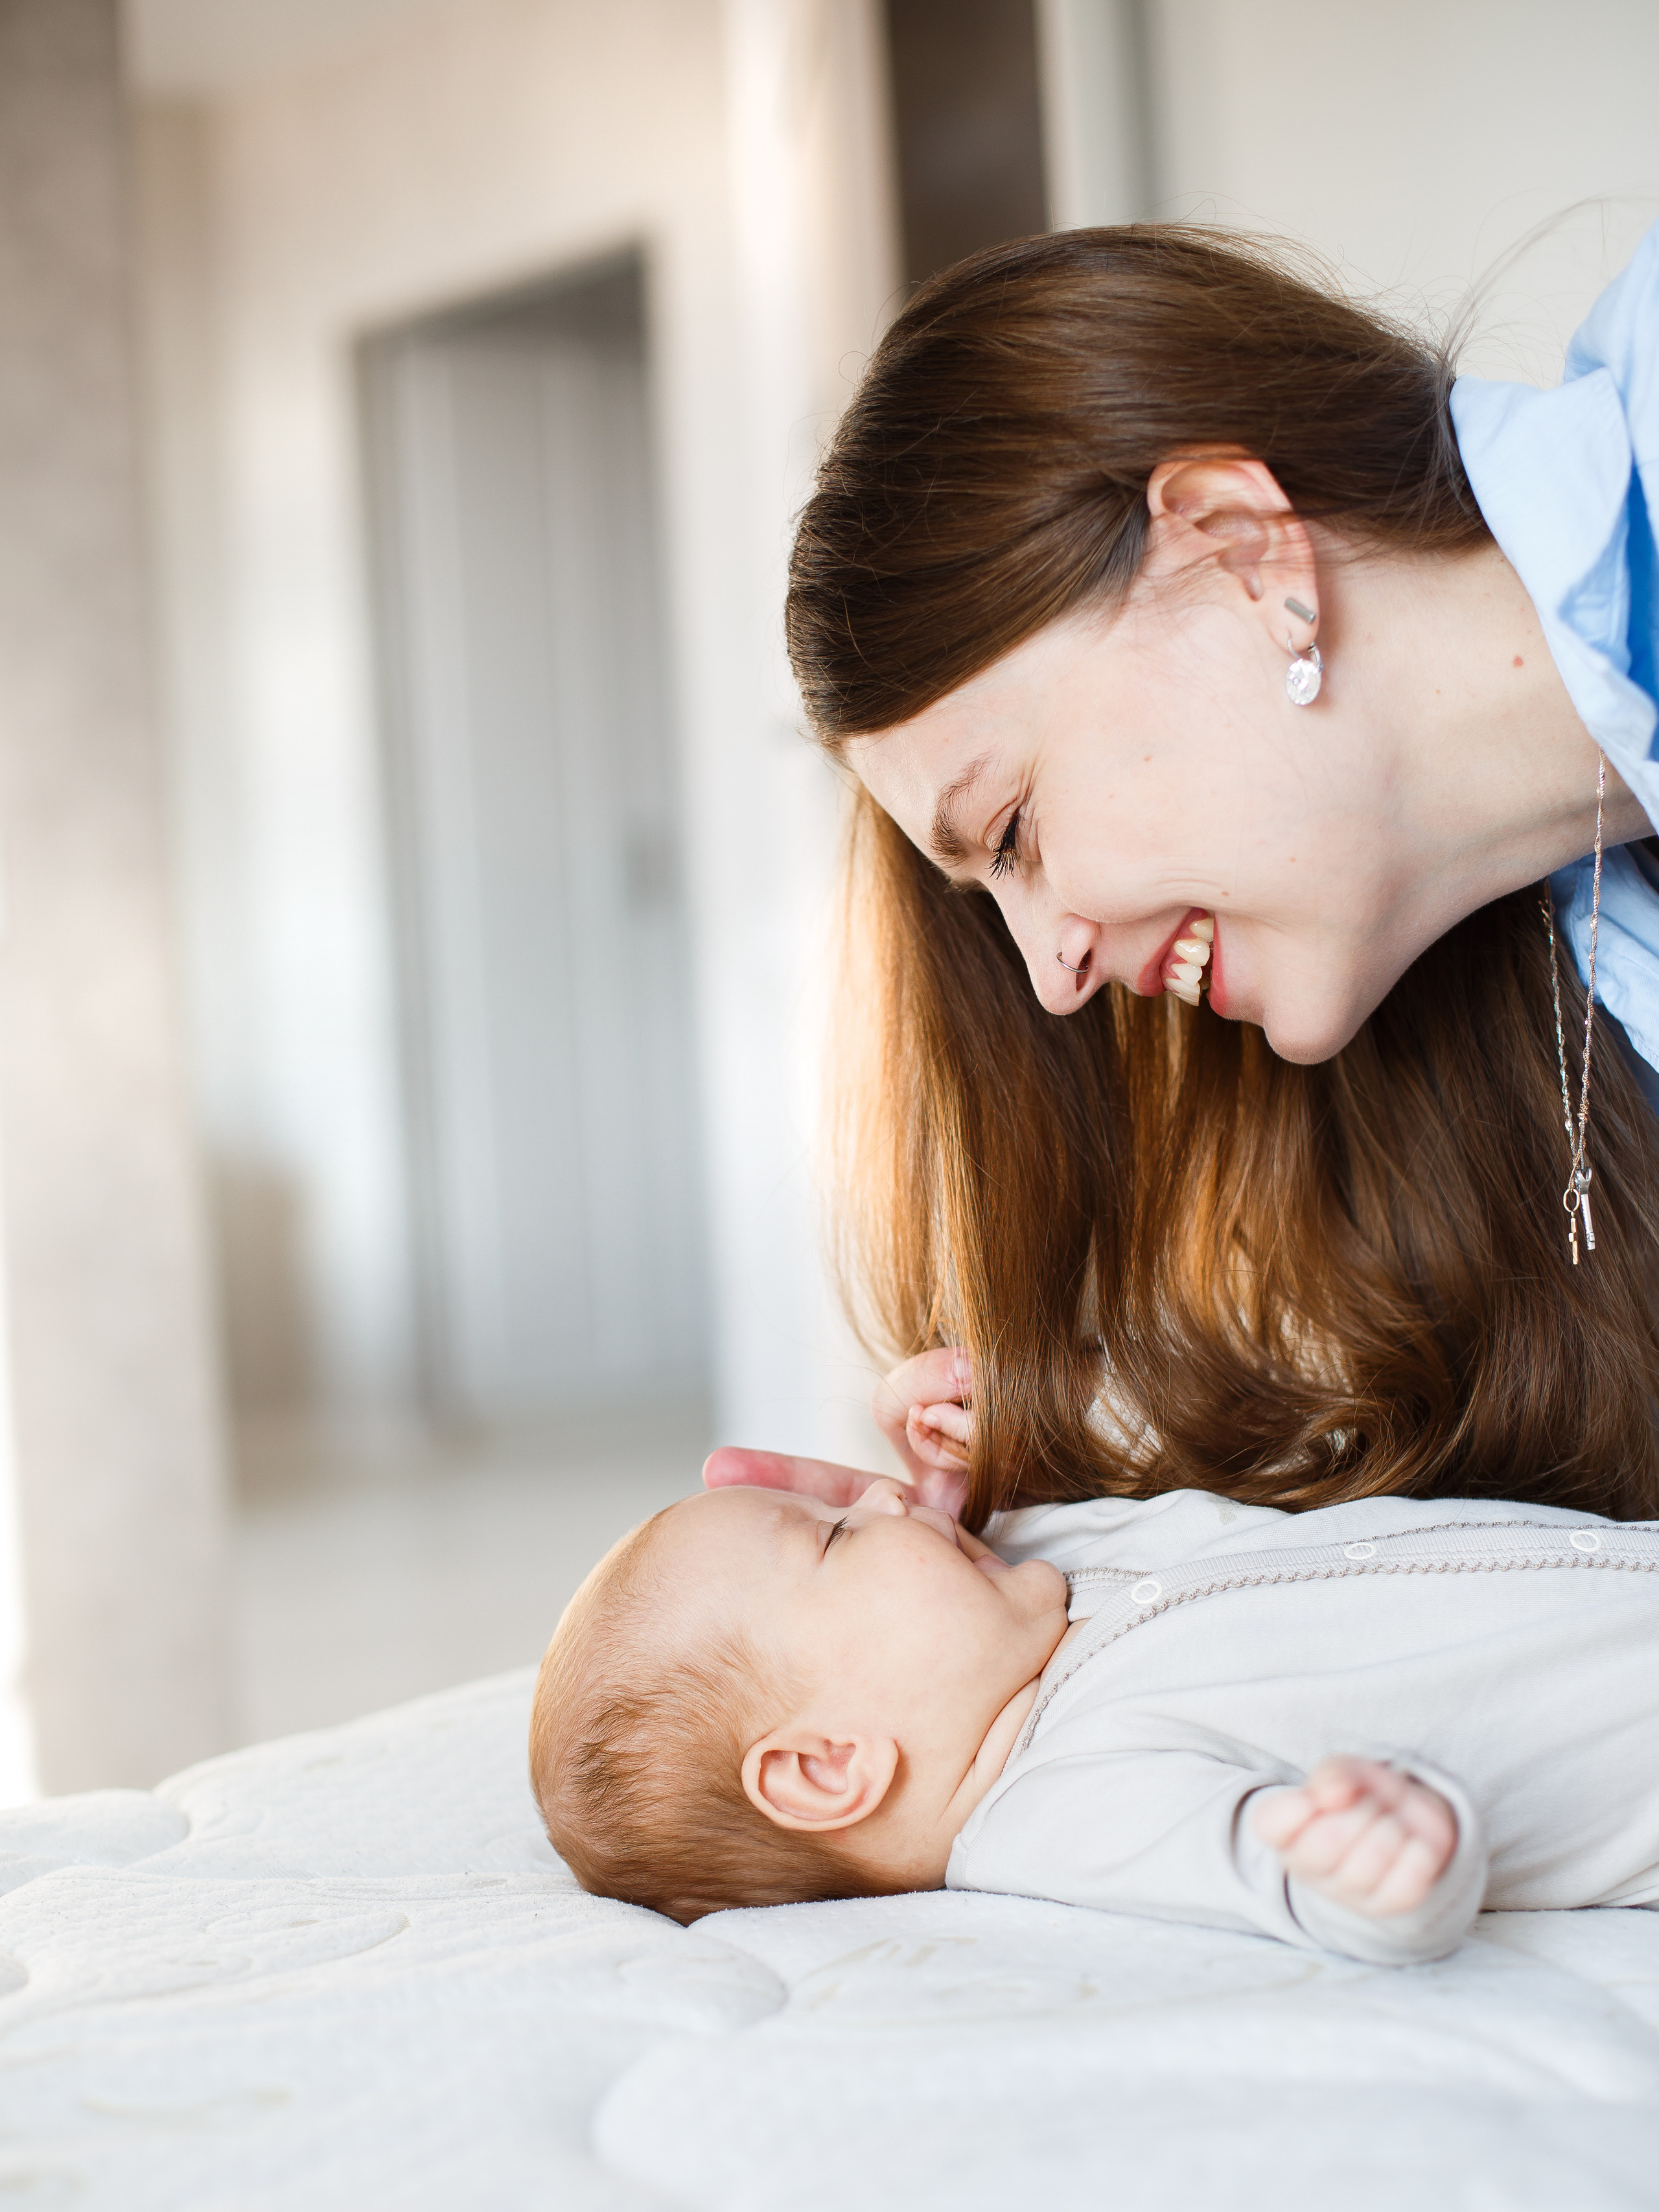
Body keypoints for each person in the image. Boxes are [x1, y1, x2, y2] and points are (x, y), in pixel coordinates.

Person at [713, 218, 1659, 1531]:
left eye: (1012, 833)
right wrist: (1080, 1510)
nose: (1053, 978)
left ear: (1236, 548)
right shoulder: (1574, 990)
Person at [529, 1473, 1659, 1952]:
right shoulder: (1061, 1808)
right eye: (833, 1532)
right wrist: (1381, 1860)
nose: (877, 1494)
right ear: (830, 1765)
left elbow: (1163, 1471)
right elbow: (1283, 1879)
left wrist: (983, 1436)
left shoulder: (1041, 1584)